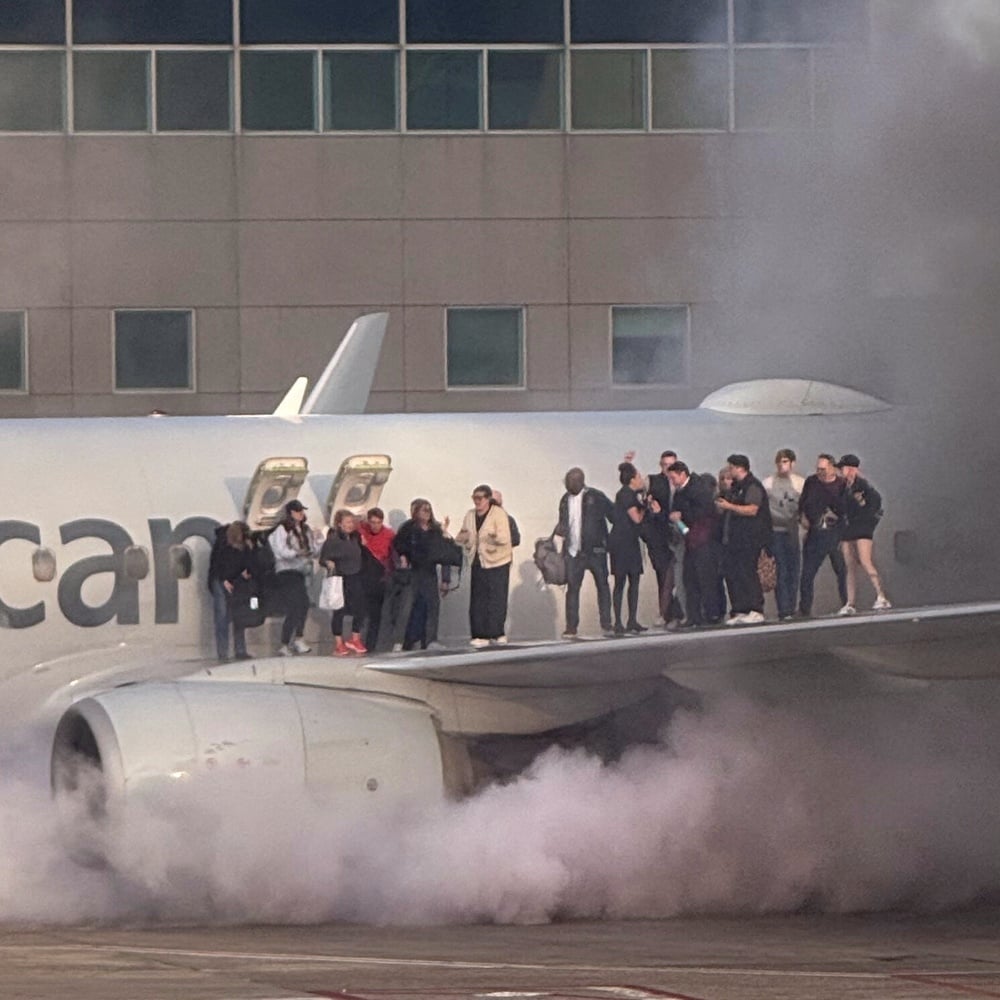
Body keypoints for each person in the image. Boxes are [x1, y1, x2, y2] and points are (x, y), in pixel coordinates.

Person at [555, 467, 614, 638]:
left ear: (580, 481)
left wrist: (606, 541)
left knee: (602, 586)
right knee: (572, 589)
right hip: (574, 551)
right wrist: (561, 530)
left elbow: (613, 514)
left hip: (595, 551)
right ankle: (571, 626)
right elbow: (563, 521)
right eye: (566, 482)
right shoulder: (565, 500)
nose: (567, 486)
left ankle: (606, 623)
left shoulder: (596, 496)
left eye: (570, 482)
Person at [717, 453, 772, 625]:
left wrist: (729, 506)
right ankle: (741, 608)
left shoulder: (752, 486)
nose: (730, 470)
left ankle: (756, 609)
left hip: (750, 539)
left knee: (748, 572)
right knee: (736, 574)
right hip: (734, 540)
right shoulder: (735, 487)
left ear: (741, 468)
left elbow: (752, 509)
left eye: (732, 467)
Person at [391, 498, 452, 651]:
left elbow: (445, 555)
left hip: (430, 572)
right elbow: (398, 546)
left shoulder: (436, 530)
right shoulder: (408, 528)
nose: (426, 513)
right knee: (406, 608)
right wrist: (403, 559)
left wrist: (445, 579)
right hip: (412, 572)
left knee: (432, 607)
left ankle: (431, 640)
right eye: (423, 509)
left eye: (428, 509)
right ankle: (399, 641)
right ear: (415, 512)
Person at [668, 461, 723, 626]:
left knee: (706, 578)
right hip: (689, 540)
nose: (672, 481)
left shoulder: (699, 489)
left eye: (673, 477)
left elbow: (704, 512)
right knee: (689, 579)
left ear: (682, 474)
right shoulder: (678, 493)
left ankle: (712, 614)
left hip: (703, 540)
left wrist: (682, 515)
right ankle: (693, 616)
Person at [457, 485, 513, 647]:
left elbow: (505, 537)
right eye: (474, 498)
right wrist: (458, 536)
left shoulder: (499, 514)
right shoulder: (470, 515)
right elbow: (465, 534)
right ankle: (479, 633)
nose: (477, 502)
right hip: (478, 560)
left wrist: (493, 537)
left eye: (480, 498)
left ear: (488, 499)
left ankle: (496, 632)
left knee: (496, 598)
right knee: (478, 599)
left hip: (497, 561)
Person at [836, 454, 891, 613]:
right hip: (848, 528)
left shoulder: (864, 486)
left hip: (862, 528)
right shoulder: (843, 487)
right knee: (850, 566)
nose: (842, 471)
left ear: (852, 469)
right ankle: (850, 602)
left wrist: (865, 513)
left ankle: (881, 595)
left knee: (865, 561)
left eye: (844, 468)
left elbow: (874, 504)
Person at [797, 454, 849, 617]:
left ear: (832, 467)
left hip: (836, 534)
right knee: (807, 574)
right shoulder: (812, 482)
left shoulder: (842, 485)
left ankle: (847, 603)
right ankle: (805, 609)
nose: (820, 472)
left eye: (823, 469)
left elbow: (848, 509)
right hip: (815, 533)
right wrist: (803, 519)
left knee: (842, 571)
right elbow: (802, 504)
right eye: (818, 469)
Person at [268, 499, 321, 655]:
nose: (301, 514)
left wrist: (318, 542)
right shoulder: (282, 529)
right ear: (290, 513)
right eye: (298, 511)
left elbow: (313, 550)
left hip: (301, 570)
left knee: (303, 604)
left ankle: (298, 637)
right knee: (294, 605)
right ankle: (285, 642)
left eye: (302, 511)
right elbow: (280, 551)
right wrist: (297, 553)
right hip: (286, 571)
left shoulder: (305, 530)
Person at [763, 448, 805, 621]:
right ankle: (784, 608)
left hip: (793, 530)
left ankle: (792, 606)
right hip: (775, 531)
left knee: (794, 569)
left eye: (786, 461)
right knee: (780, 570)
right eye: (779, 461)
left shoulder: (800, 483)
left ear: (792, 463)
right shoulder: (768, 483)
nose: (782, 465)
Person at [319, 509, 368, 655]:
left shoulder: (355, 537)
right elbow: (323, 558)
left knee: (360, 607)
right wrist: (329, 563)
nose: (350, 525)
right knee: (339, 609)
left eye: (352, 522)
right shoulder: (333, 540)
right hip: (341, 577)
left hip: (355, 575)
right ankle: (338, 643)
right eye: (347, 522)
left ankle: (355, 637)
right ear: (339, 524)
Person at [608, 462, 647, 635]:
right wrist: (646, 507)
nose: (640, 480)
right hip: (625, 543)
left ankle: (628, 620)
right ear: (632, 480)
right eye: (638, 477)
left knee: (625, 582)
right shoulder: (627, 495)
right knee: (626, 582)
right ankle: (622, 621)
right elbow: (636, 518)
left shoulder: (623, 493)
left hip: (622, 541)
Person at [207, 520, 255, 662]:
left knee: (238, 614)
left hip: (236, 580)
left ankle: (240, 650)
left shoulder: (244, 546)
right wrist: (224, 580)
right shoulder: (222, 543)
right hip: (220, 580)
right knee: (222, 616)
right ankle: (223, 653)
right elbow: (216, 565)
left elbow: (246, 562)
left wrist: (244, 573)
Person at [645, 450, 682, 626]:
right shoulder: (654, 482)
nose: (668, 469)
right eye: (665, 465)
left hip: (680, 534)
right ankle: (665, 612)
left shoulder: (683, 484)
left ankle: (677, 613)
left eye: (671, 465)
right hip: (660, 537)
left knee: (679, 576)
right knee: (663, 576)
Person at [359, 506, 395, 650]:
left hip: (380, 577)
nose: (375, 526)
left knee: (376, 615)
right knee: (363, 613)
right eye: (372, 522)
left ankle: (370, 645)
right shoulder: (362, 530)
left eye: (378, 522)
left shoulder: (389, 535)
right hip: (364, 577)